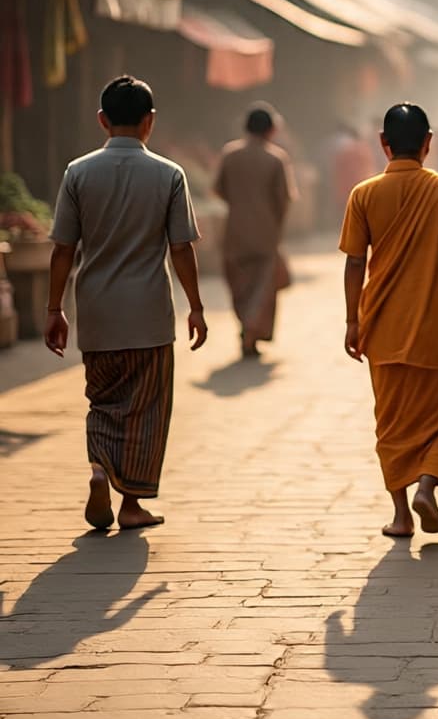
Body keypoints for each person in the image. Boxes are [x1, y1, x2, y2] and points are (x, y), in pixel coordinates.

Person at [44, 75, 206, 531]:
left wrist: (53, 309)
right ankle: (131, 505)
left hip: (95, 312)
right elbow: (181, 248)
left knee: (103, 401)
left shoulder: (77, 173)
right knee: (147, 411)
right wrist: (195, 305)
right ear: (149, 122)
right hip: (149, 316)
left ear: (102, 120)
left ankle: (100, 467)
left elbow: (62, 249)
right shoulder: (169, 174)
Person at [341, 103, 438, 539]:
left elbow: (354, 263)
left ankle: (402, 514)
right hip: (437, 330)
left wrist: (352, 320)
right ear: (429, 143)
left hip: (382, 329)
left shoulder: (364, 195)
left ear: (383, 144)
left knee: (392, 424)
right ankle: (428, 484)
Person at [215, 105, 297, 359]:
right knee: (262, 287)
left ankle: (246, 328)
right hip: (266, 232)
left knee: (240, 285)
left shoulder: (230, 154)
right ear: (271, 130)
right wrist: (277, 227)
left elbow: (219, 189)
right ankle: (251, 330)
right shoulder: (275, 158)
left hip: (235, 231)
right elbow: (284, 198)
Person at [332, 124, 376, 222]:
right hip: (363, 183)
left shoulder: (345, 151)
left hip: (347, 186)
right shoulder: (365, 149)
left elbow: (338, 168)